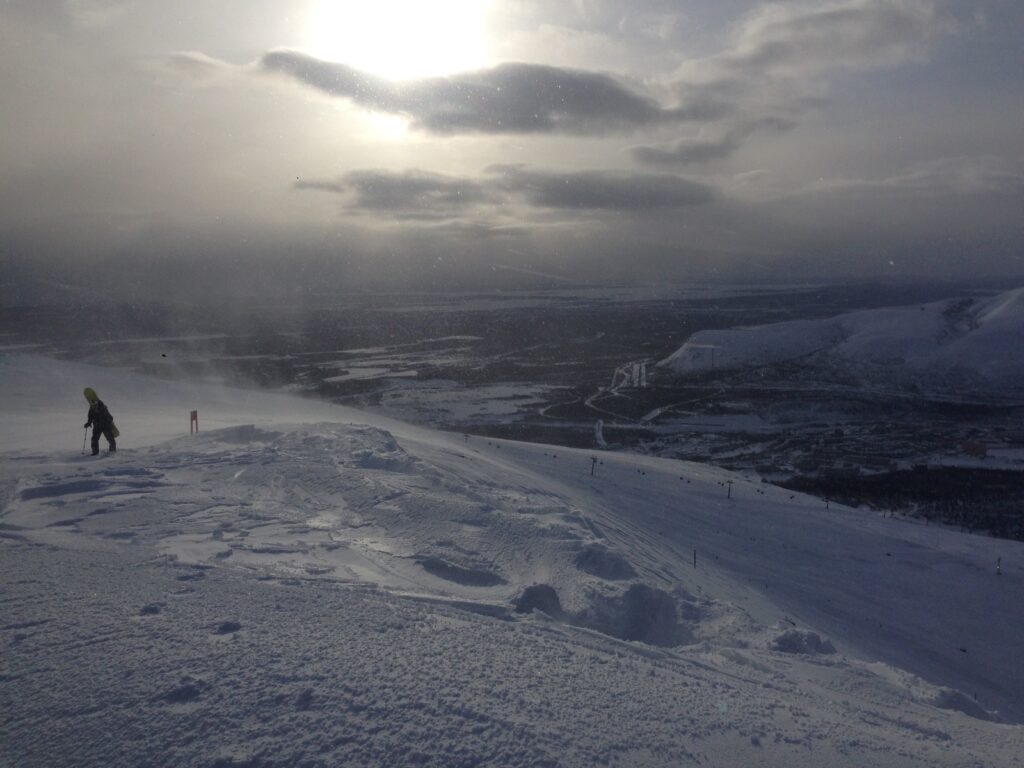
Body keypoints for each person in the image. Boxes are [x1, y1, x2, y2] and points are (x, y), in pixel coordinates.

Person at [83, 387, 116, 455]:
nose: (93, 405)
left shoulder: (102, 407)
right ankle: (95, 452)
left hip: (105, 425)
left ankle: (112, 452)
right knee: (94, 440)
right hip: (97, 426)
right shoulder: (92, 408)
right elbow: (90, 416)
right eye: (92, 403)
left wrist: (108, 422)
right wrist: (88, 423)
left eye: (95, 403)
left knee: (110, 439)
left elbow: (109, 416)